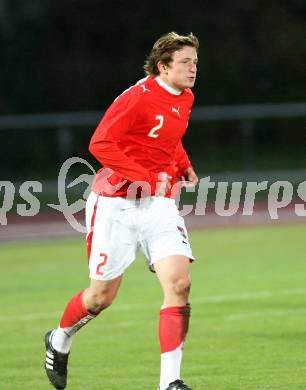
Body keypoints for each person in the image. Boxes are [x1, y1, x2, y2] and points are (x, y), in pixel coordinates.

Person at [44, 31, 199, 390]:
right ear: (163, 66)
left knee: (179, 284)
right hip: (115, 203)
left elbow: (167, 139)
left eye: (195, 62)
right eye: (186, 62)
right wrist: (144, 177)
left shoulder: (185, 97)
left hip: (159, 204)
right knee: (100, 297)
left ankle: (170, 382)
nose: (193, 69)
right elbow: (100, 142)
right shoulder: (137, 98)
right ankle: (60, 337)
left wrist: (183, 163)